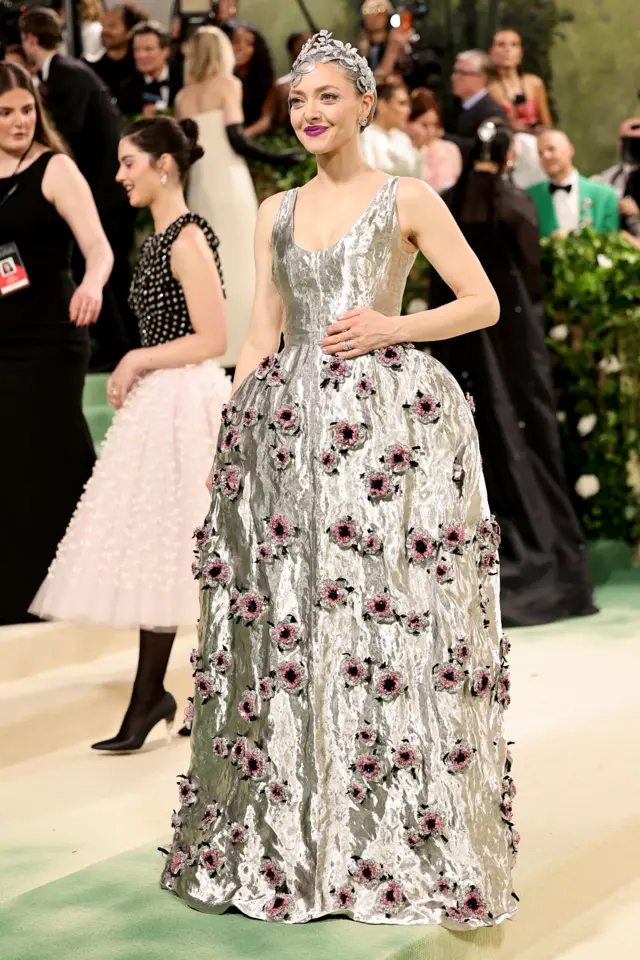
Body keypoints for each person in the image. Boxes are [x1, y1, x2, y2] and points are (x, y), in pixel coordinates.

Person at [161, 30, 518, 927]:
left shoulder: (409, 198)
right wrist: (228, 441)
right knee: (288, 623)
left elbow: (483, 302)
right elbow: (257, 338)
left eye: (328, 97)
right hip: (284, 438)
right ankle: (286, 833)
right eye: (299, 100)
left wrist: (391, 328)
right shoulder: (273, 210)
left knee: (376, 616)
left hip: (381, 437)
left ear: (365, 104)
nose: (312, 113)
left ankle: (379, 837)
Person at [31, 116, 231, 753]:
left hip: (187, 400)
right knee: (166, 551)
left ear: (163, 164)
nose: (118, 175)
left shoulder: (187, 239)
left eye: (127, 163)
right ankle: (155, 698)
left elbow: (214, 339)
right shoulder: (162, 237)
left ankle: (183, 697)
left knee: (192, 552)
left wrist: (138, 359)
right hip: (164, 401)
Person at [429, 118, 596, 627]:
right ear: (507, 156)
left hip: (459, 342)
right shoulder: (515, 203)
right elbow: (531, 277)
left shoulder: (447, 203)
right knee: (525, 429)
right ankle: (542, 549)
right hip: (513, 341)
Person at [0, 61, 112, 625]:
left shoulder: (55, 167)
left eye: (26, 109)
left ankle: (81, 582)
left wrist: (91, 285)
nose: (19, 121)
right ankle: (16, 590)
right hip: (2, 337)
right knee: (9, 460)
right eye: (6, 112)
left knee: (57, 450)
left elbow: (99, 249)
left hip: (53, 335)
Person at [176, 27, 300, 371]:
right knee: (246, 262)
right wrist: (279, 157)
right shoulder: (229, 86)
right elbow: (236, 139)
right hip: (229, 183)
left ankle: (215, 344)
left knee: (213, 266)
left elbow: (187, 151)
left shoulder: (183, 97)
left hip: (200, 186)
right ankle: (250, 345)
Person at [20, 6, 136, 366]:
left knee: (111, 274)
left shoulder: (66, 74)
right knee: (110, 274)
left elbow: (65, 138)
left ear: (29, 39)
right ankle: (116, 348)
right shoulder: (65, 72)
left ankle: (120, 350)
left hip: (106, 194)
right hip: (104, 192)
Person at [528, 129, 619, 237]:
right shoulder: (529, 196)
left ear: (570, 150)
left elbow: (611, 242)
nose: (546, 156)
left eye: (551, 149)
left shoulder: (605, 195)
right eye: (540, 153)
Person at [488, 28, 551, 132]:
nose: (507, 50)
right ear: (491, 52)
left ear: (520, 53)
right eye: (501, 45)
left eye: (514, 45)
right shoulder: (488, 88)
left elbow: (547, 124)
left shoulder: (534, 83)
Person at [445, 50, 507, 158]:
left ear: (481, 78)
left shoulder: (492, 112)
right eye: (455, 72)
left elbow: (485, 148)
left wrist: (442, 137)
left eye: (461, 73)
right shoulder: (453, 105)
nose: (454, 77)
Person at [118, 20, 182, 116]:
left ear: (165, 52)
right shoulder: (127, 89)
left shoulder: (184, 79)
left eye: (148, 49)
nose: (141, 55)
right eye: (137, 50)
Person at [89, 3, 148, 103]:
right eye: (103, 26)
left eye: (112, 26)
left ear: (130, 32)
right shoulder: (92, 70)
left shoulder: (141, 68)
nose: (105, 31)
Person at [360, 81, 421, 176]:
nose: (408, 111)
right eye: (402, 104)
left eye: (408, 105)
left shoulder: (403, 139)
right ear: (382, 105)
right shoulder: (365, 136)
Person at [407, 87, 462, 193]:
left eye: (434, 124)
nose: (431, 131)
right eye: (424, 125)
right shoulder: (403, 149)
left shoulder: (450, 149)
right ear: (408, 122)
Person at [228, 20, 276, 137]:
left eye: (249, 43)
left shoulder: (265, 80)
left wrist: (241, 137)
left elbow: (266, 120)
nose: (241, 47)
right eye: (235, 41)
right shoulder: (222, 79)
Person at [358, 0, 412, 83]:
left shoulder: (398, 40)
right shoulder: (357, 47)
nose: (373, 16)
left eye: (380, 11)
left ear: (389, 16)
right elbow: (376, 80)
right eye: (367, 12)